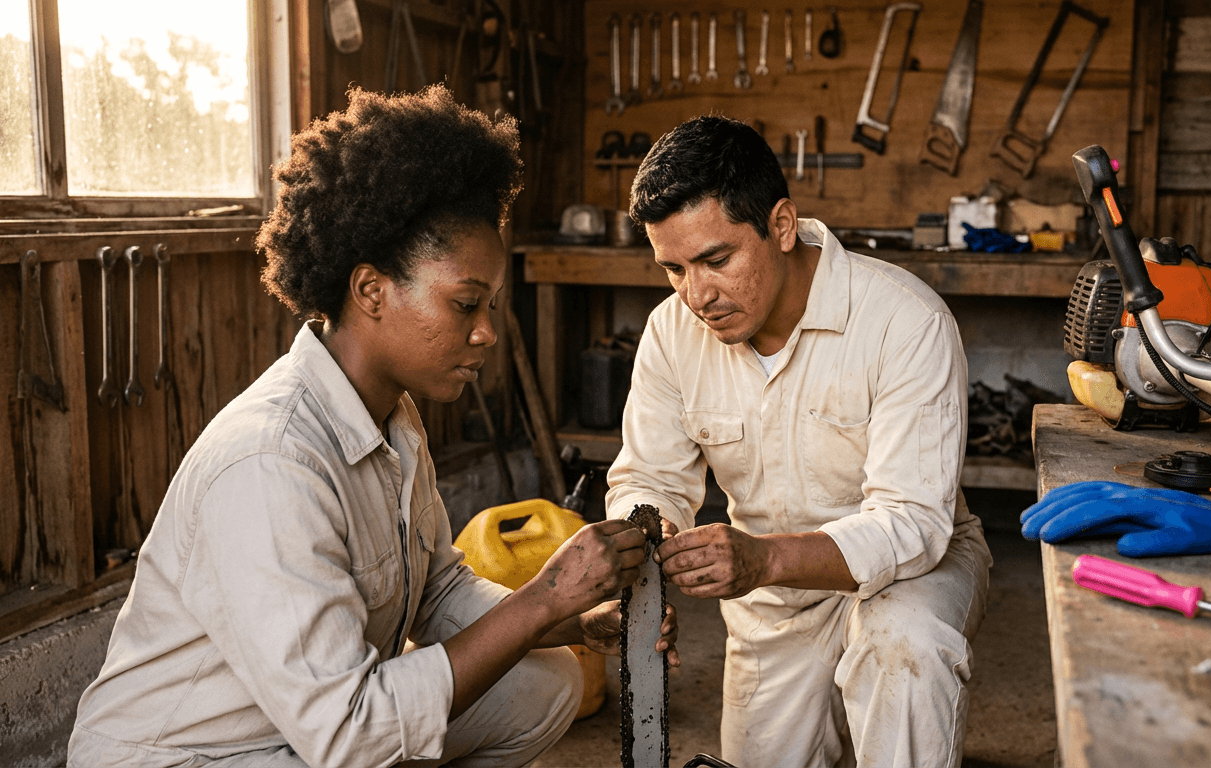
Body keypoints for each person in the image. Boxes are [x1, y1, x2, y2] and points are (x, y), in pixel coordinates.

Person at [68, 85, 677, 768]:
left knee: (546, 680)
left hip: (304, 737)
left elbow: (439, 590)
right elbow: (351, 733)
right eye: (465, 304)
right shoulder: (272, 461)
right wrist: (540, 601)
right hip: (200, 755)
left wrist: (571, 618)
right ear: (370, 291)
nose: (486, 334)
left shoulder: (394, 417)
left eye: (491, 307)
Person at [606, 115, 992, 768]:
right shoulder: (671, 331)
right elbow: (649, 477)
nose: (696, 293)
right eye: (672, 268)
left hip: (913, 571)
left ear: (781, 226)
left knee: (905, 649)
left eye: (716, 259)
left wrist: (761, 560)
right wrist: (641, 544)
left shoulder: (906, 320)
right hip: (773, 596)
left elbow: (914, 524)